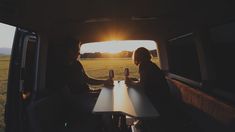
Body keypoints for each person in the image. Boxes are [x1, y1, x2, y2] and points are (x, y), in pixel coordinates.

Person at [125, 47, 176, 132]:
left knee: (137, 102)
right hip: (163, 97)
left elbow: (142, 85)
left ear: (137, 56)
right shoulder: (150, 64)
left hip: (159, 101)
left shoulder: (143, 65)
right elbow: (145, 82)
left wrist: (130, 83)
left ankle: (144, 123)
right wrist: (134, 82)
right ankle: (142, 121)